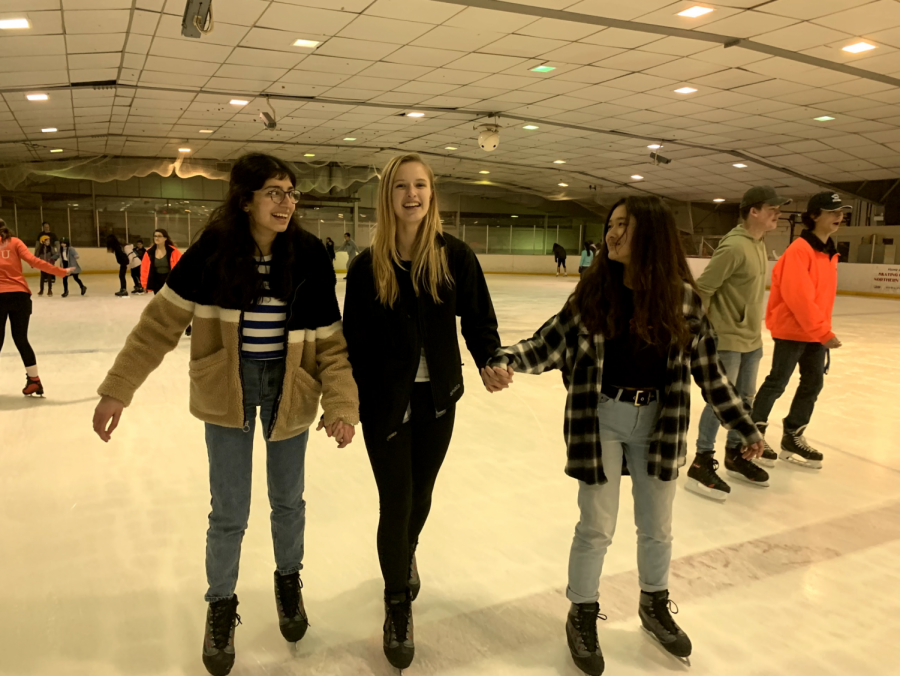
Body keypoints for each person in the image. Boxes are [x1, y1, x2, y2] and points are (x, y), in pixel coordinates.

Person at [91, 153, 360, 676]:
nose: (287, 202)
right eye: (274, 192)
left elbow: (330, 342)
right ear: (246, 199)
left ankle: (288, 580)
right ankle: (221, 603)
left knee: (288, 502)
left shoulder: (306, 254)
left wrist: (342, 405)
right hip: (226, 391)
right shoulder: (213, 251)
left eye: (291, 193)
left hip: (292, 390)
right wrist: (117, 390)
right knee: (229, 510)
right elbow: (159, 326)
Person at [484, 196, 764, 676]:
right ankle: (583, 612)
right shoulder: (594, 293)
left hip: (660, 421)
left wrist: (743, 425)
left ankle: (653, 604)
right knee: (596, 525)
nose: (612, 235)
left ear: (651, 234)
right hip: (602, 419)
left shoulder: (683, 299)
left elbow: (711, 373)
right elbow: (547, 342)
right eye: (610, 225)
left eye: (623, 226)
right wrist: (506, 357)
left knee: (657, 526)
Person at [343, 153, 502, 672]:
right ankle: (396, 604)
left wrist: (488, 361)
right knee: (397, 498)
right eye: (401, 187)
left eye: (421, 186)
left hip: (438, 401)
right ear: (387, 196)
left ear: (431, 194)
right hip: (385, 404)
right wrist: (346, 403)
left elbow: (478, 320)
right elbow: (354, 342)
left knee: (423, 494)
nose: (412, 195)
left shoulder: (453, 256)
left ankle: (406, 549)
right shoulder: (369, 265)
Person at [686, 186, 791, 502]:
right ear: (753, 211)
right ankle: (702, 459)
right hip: (727, 338)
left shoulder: (759, 243)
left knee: (745, 399)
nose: (778, 213)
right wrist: (701, 332)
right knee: (721, 402)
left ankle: (734, 454)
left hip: (751, 339)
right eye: (772, 208)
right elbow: (703, 288)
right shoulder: (733, 247)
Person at [750, 191, 846, 470]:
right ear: (814, 216)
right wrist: (823, 331)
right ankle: (755, 435)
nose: (839, 216)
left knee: (813, 383)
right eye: (832, 212)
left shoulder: (829, 251)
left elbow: (820, 298)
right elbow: (798, 297)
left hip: (815, 331)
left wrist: (822, 329)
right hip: (793, 330)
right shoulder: (799, 250)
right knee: (777, 382)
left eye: (841, 212)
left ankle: (793, 435)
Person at [0, 221, 74, 395]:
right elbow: (34, 261)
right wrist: (61, 272)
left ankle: (34, 381)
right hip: (20, 296)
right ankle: (34, 380)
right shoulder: (15, 242)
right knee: (21, 339)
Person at [140, 229, 182, 295]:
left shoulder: (173, 251)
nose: (157, 238)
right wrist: (144, 284)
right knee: (159, 301)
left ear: (165, 238)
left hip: (169, 280)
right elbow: (144, 269)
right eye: (155, 236)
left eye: (159, 236)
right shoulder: (149, 252)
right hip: (156, 280)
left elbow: (181, 266)